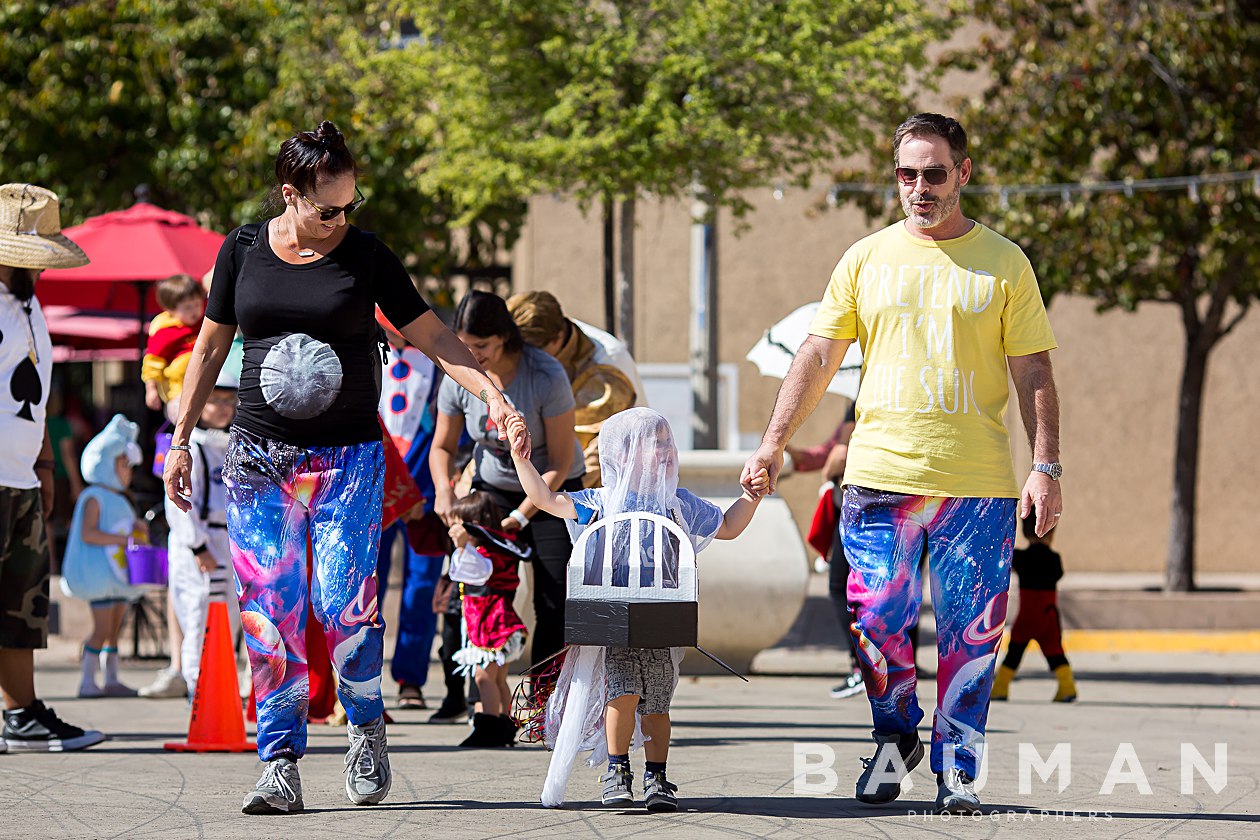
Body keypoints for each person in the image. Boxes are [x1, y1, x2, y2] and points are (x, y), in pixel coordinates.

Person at [162, 121, 528, 816]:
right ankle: (279, 764)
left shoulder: (366, 256)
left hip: (348, 460)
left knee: (344, 608)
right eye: (327, 208)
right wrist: (180, 439)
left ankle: (365, 727)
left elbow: (435, 336)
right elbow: (209, 352)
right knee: (270, 610)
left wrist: (496, 397)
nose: (340, 220)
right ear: (289, 196)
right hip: (258, 458)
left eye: (350, 206)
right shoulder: (241, 249)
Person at [741, 113, 1063, 816]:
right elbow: (818, 357)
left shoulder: (1004, 262)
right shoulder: (864, 258)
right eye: (907, 174)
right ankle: (895, 735)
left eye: (934, 173)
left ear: (964, 174)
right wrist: (771, 442)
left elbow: (1032, 369)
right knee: (875, 621)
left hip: (976, 483)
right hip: (878, 478)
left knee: (969, 633)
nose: (919, 187)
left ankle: (959, 770)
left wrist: (1047, 467)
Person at [513, 408, 769, 811]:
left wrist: (750, 497)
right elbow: (543, 499)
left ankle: (657, 775)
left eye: (669, 442)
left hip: (663, 619)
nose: (666, 450)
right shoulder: (601, 501)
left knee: (658, 703)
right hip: (616, 617)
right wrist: (521, 459)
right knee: (621, 694)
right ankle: (617, 769)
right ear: (625, 452)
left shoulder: (678, 504)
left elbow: (729, 527)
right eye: (656, 443)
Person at [0, 183, 104, 752]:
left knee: (23, 605)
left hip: (19, 476)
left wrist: (44, 464)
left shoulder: (29, 305)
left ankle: (21, 713)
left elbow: (32, 398)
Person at [432, 290, 584, 677]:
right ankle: (487, 706)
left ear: (504, 336)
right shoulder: (459, 375)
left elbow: (562, 460)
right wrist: (444, 492)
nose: (472, 355)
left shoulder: (545, 375)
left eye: (480, 345)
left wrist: (522, 514)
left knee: (553, 600)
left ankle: (545, 697)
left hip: (553, 490)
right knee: (483, 593)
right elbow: (443, 446)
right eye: (463, 346)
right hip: (492, 491)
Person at [143, 369, 242, 700]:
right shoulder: (187, 448)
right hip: (199, 545)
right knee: (198, 615)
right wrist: (198, 546)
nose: (224, 408)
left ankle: (219, 686)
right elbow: (177, 506)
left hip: (228, 541)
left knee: (228, 618)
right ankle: (197, 688)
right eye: (215, 400)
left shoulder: (232, 446)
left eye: (230, 400)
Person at [376, 311, 445, 711]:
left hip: (426, 492)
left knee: (421, 588)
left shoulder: (439, 363)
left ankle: (411, 679)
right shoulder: (366, 353)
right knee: (369, 589)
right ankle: (365, 683)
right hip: (375, 491)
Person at [508, 290, 641, 486]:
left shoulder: (608, 360)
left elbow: (606, 450)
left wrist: (546, 500)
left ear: (555, 339)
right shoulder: (546, 335)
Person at [60, 414, 146, 698]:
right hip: (102, 577)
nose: (128, 471)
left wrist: (137, 529)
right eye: (123, 464)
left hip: (117, 577)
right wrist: (125, 538)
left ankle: (110, 678)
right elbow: (89, 533)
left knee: (113, 632)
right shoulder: (94, 496)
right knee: (101, 630)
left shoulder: (120, 499)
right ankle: (87, 681)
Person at [789, 403, 866, 699]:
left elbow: (840, 453)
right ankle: (883, 666)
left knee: (842, 587)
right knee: (893, 588)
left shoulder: (865, 394)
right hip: (902, 500)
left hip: (861, 503)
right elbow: (828, 451)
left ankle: (864, 666)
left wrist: (834, 463)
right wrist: (801, 456)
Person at [445, 492, 529, 748]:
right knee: (497, 678)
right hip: (486, 622)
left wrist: (462, 547)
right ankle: (504, 724)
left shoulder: (487, 553)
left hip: (492, 624)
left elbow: (470, 571)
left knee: (483, 677)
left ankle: (489, 726)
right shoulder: (488, 550)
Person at [991, 515, 1076, 703]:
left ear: (1024, 532)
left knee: (1014, 652)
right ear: (1052, 533)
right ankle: (1067, 686)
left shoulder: (1021, 557)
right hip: (1048, 615)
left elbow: (1007, 565)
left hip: (1026, 616)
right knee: (1055, 652)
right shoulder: (1054, 558)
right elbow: (1059, 575)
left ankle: (1000, 688)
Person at [142, 274, 206, 414]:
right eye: (188, 307)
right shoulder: (167, 331)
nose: (195, 310)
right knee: (183, 414)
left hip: (209, 389)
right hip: (178, 391)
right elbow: (152, 362)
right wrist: (151, 389)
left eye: (197, 304)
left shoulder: (205, 322)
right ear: (170, 310)